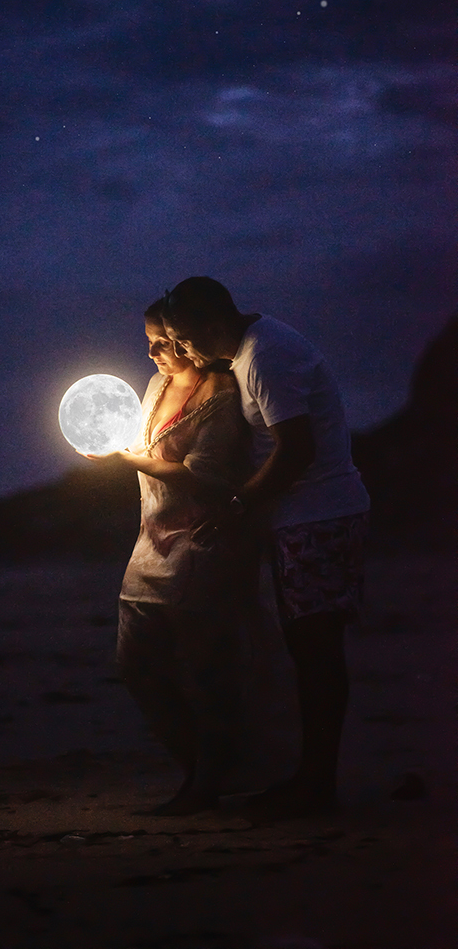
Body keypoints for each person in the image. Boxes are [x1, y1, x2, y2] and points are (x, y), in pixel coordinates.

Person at [161, 276, 371, 822]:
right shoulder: (252, 351)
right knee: (308, 649)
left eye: (184, 340)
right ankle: (311, 778)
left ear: (212, 324)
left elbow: (297, 450)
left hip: (320, 515)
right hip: (306, 517)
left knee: (317, 651)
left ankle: (317, 785)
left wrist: (237, 505)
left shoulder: (264, 358)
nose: (182, 352)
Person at [83, 299, 260, 815]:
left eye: (164, 341)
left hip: (203, 544)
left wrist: (129, 459)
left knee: (207, 673)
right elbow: (137, 443)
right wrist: (108, 445)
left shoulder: (223, 398)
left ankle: (205, 785)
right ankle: (203, 771)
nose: (153, 350)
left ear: (189, 339)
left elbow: (207, 477)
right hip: (150, 542)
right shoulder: (155, 385)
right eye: (150, 340)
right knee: (136, 664)